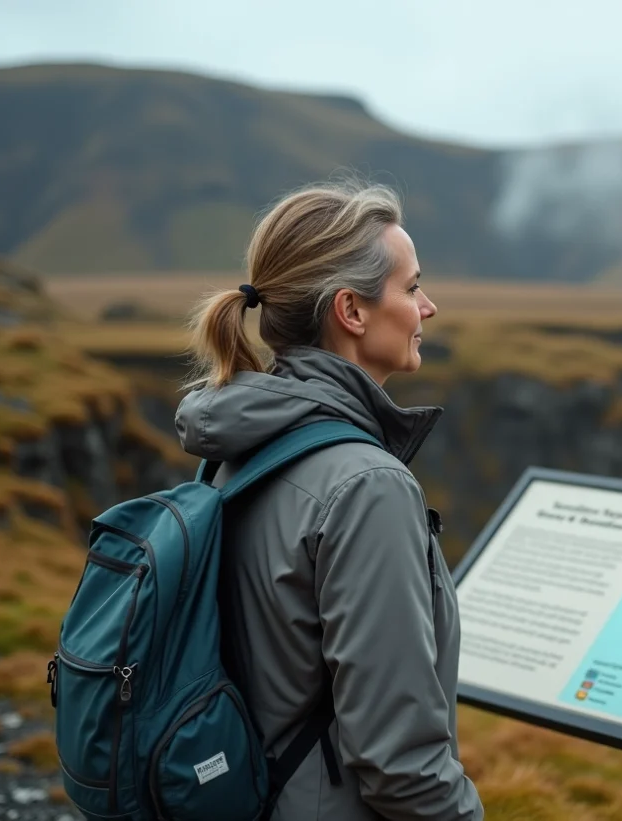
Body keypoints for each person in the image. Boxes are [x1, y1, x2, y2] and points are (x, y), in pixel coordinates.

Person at [172, 178, 484, 820]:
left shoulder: (239, 445)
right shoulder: (367, 487)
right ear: (352, 311)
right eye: (412, 288)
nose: (428, 308)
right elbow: (401, 766)